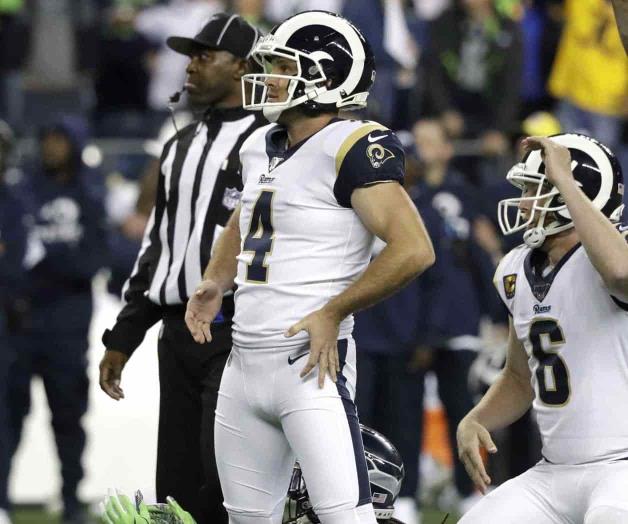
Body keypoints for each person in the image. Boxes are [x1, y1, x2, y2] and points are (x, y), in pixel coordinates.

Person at [185, 10, 435, 524]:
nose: (268, 77)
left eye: (282, 65)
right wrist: (216, 278)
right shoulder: (264, 145)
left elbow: (413, 249)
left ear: (324, 78)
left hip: (310, 365)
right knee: (248, 520)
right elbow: (248, 212)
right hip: (243, 363)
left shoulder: (352, 144)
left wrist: (334, 310)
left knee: (347, 517)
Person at [98, 13, 264, 524]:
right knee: (175, 484)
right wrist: (123, 337)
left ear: (240, 68)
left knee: (226, 478)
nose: (188, 68)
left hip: (236, 329)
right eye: (189, 57)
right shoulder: (177, 146)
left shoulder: (271, 143)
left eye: (203, 57)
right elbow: (157, 251)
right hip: (176, 333)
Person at [456, 133, 628, 523]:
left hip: (621, 467)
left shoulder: (613, 252)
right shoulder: (517, 267)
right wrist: (476, 418)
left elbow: (621, 273)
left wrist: (564, 181)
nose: (523, 203)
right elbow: (520, 377)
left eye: (536, 190)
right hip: (554, 470)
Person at [6, 116, 107, 524]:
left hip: (67, 329)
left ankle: (70, 500)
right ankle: (2, 501)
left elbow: (95, 260)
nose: (51, 147)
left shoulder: (90, 194)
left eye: (59, 140)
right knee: (8, 417)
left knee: (68, 417)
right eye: (46, 138)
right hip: (18, 325)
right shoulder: (19, 190)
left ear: (76, 144)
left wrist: (42, 264)